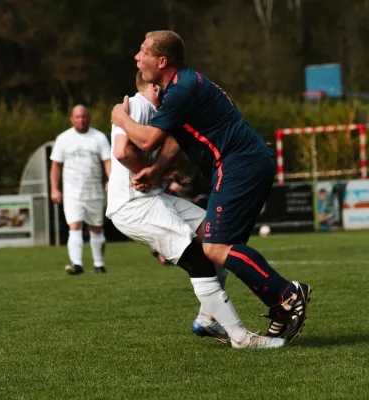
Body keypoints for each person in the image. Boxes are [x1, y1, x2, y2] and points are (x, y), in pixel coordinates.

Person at [111, 30, 312, 343]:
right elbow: (177, 137)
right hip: (243, 164)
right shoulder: (180, 87)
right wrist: (157, 169)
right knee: (218, 243)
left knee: (214, 247)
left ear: (162, 61)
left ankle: (287, 294)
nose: (137, 58)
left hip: (238, 166)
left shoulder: (181, 90)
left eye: (142, 52)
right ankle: (212, 317)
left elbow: (147, 139)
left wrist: (120, 119)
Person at [50, 105, 111, 275]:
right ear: (71, 119)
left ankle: (99, 264)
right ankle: (77, 264)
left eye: (84, 117)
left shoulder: (99, 138)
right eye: (77, 117)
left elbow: (108, 161)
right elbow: (55, 165)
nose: (81, 120)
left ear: (89, 118)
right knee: (74, 226)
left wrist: (110, 180)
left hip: (94, 191)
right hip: (72, 192)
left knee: (96, 228)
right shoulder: (63, 139)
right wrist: (55, 189)